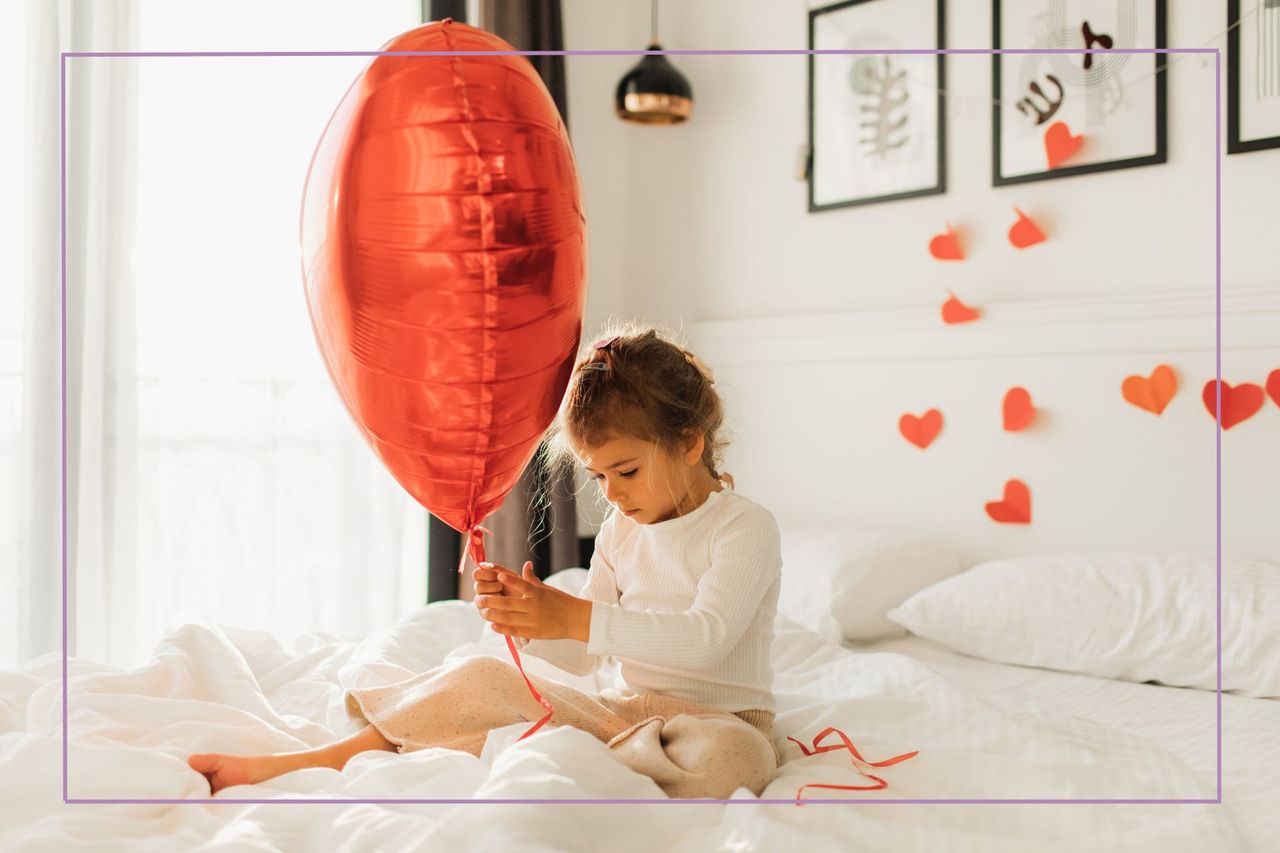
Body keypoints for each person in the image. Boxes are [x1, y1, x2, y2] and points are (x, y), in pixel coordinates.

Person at [187, 326, 784, 799]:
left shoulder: (743, 527)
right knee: (481, 677)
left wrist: (571, 617)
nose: (613, 494)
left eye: (625, 471)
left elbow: (705, 640)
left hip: (721, 721)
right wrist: (530, 624)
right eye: (599, 477)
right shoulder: (620, 533)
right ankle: (320, 760)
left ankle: (575, 756)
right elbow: (583, 655)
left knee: (736, 762)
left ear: (689, 442)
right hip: (624, 720)